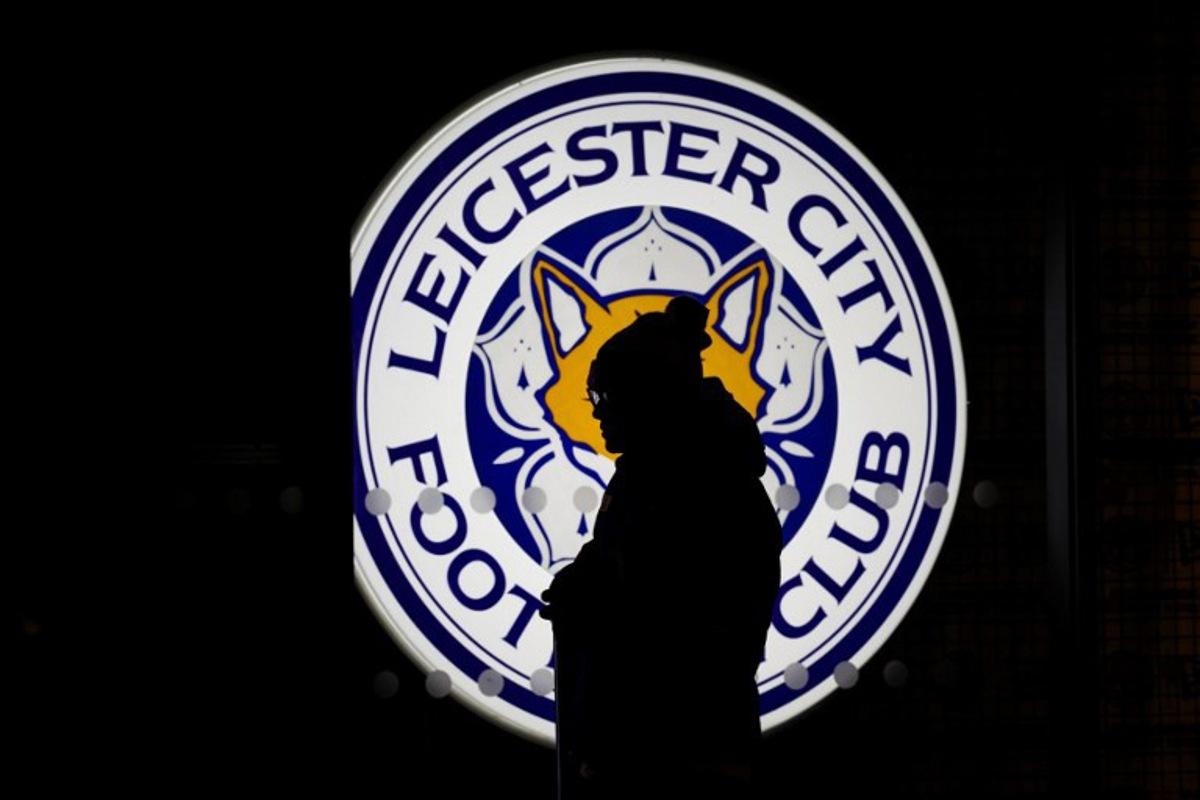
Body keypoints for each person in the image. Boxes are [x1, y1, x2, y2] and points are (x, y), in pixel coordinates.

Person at [540, 294, 782, 798]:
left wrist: (591, 596)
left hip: (675, 756)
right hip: (660, 749)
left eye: (607, 398)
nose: (599, 415)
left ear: (648, 393)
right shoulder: (655, 478)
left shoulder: (695, 484)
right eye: (594, 400)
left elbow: (663, 608)